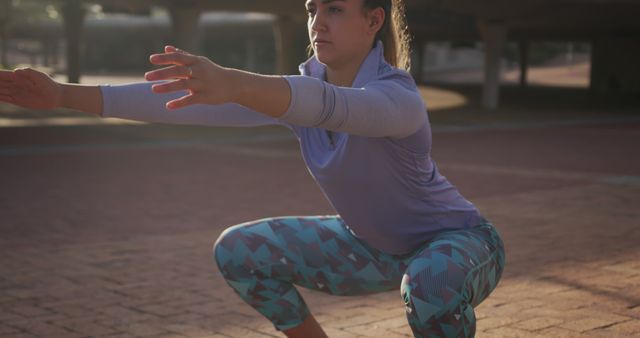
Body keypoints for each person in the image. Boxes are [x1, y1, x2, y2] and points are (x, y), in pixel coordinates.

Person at [0, 0, 505, 337]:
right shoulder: (295, 93)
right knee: (240, 251)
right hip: (375, 250)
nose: (317, 22)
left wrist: (237, 82)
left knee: (430, 282)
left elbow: (326, 104)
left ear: (374, 21)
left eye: (334, 8)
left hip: (459, 246)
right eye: (312, 8)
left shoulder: (399, 99)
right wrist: (62, 95)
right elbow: (184, 102)